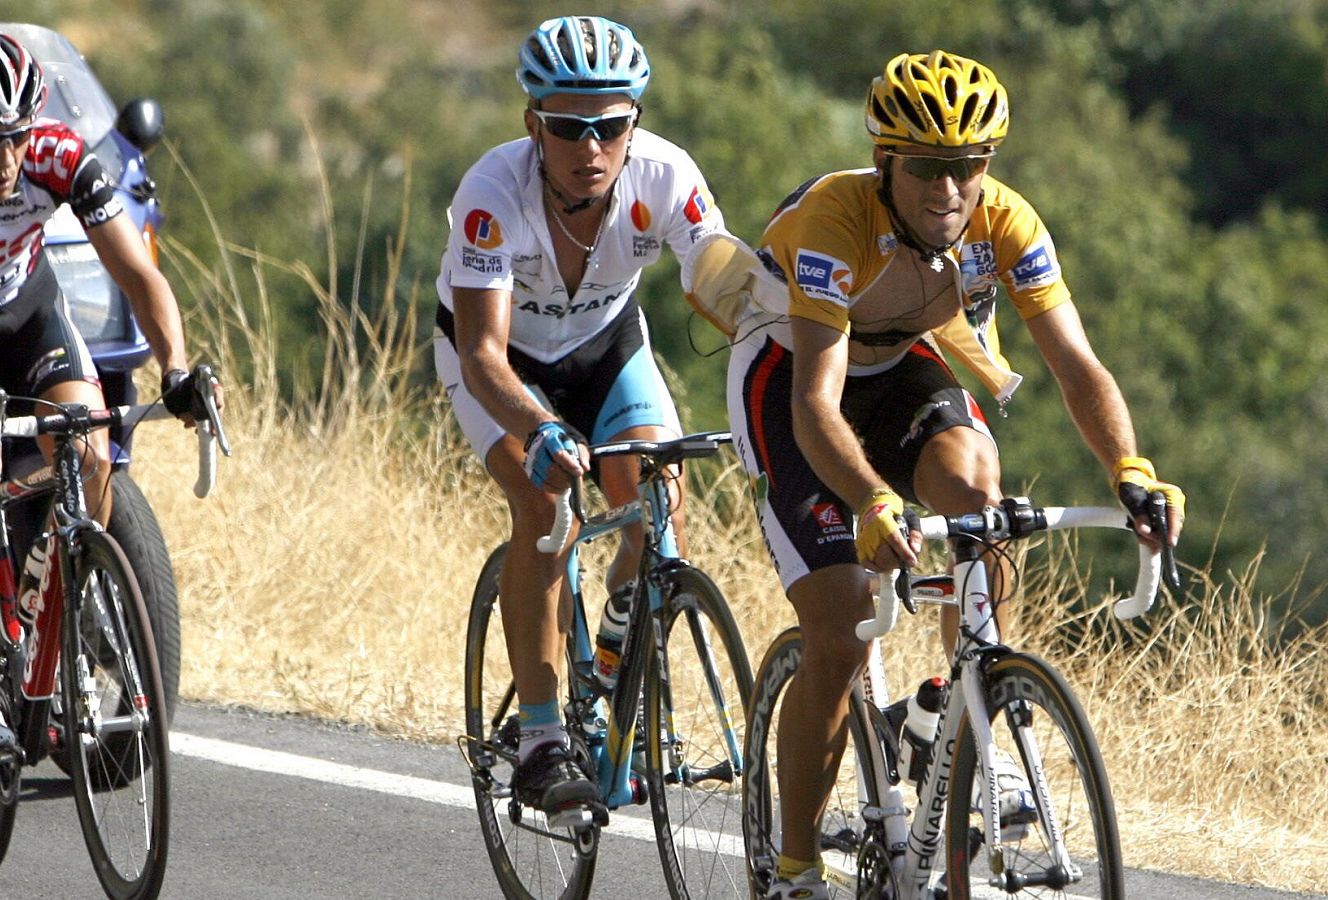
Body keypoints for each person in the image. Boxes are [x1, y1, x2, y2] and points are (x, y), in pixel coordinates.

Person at [710, 51, 1186, 898]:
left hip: (898, 364)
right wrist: (870, 499)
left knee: (983, 504)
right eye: (928, 168)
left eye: (968, 167)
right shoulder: (834, 218)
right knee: (842, 621)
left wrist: (1131, 471)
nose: (948, 190)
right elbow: (818, 406)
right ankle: (790, 867)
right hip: (790, 374)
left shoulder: (1006, 221)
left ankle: (957, 701)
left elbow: (1078, 365)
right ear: (886, 162)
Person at [0, 22, 206, 756]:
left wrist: (176, 367)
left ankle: (74, 600)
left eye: (17, 135)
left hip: (26, 313)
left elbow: (140, 276)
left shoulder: (57, 157)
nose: (8, 157)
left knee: (88, 446)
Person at [434, 14, 726, 822]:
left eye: (611, 125)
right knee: (545, 508)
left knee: (658, 505)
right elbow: (483, 354)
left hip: (606, 349)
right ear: (534, 123)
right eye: (568, 126)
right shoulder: (492, 194)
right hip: (499, 364)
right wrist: (541, 430)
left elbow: (729, 288)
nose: (590, 147)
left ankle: (603, 667)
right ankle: (539, 738)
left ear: (635, 122)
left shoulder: (666, 177)